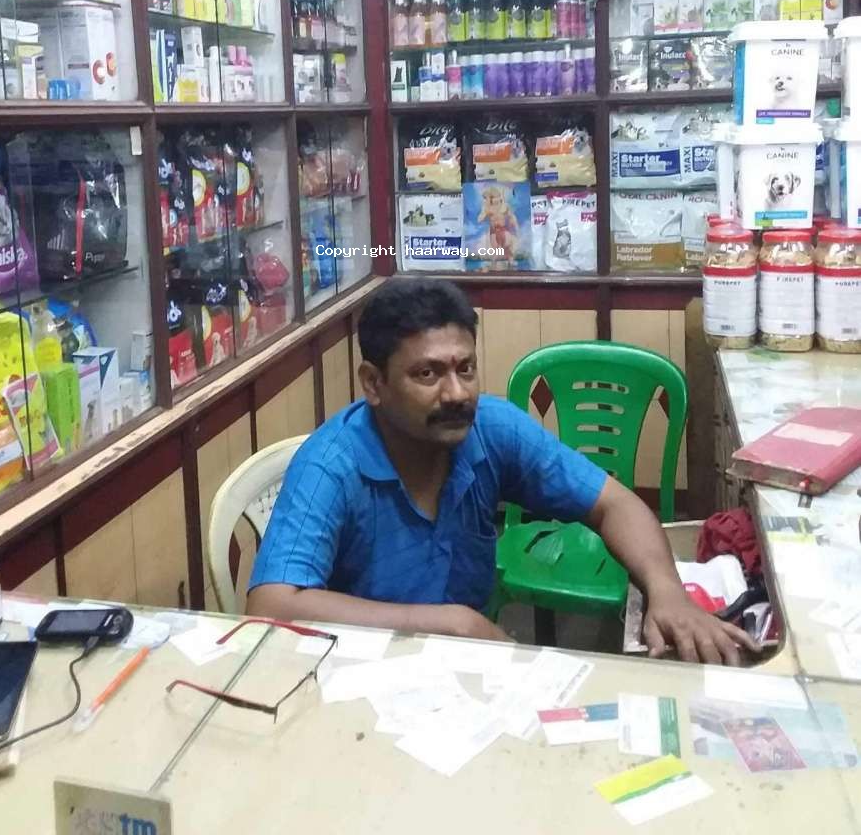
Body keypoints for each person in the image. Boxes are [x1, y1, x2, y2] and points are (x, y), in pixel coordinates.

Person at [247, 278, 758, 666]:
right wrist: (450, 625)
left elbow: (613, 502)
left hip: (463, 676)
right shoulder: (330, 465)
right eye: (427, 373)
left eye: (465, 368)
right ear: (374, 384)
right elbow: (270, 606)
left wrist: (667, 593)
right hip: (353, 672)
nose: (455, 393)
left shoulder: (490, 429)